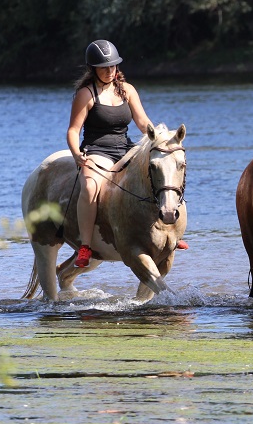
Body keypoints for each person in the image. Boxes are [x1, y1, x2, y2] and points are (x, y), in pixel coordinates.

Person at [66, 40, 187, 268]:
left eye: (112, 66)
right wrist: (76, 154)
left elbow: (143, 124)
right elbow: (73, 130)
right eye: (104, 67)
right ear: (93, 69)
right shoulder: (86, 94)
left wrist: (161, 139)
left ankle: (170, 231)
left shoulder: (127, 90)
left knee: (161, 172)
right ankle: (85, 245)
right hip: (98, 151)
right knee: (90, 187)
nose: (109, 71)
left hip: (125, 148)